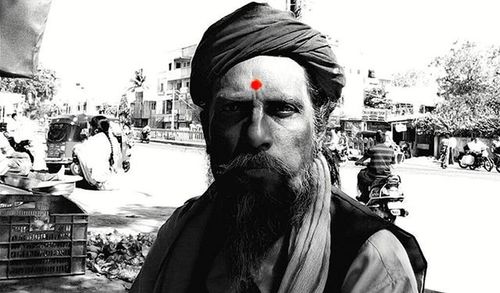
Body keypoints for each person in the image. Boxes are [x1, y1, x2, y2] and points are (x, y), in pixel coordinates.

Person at [131, 3, 426, 293]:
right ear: (206, 126)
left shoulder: (369, 259)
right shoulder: (182, 232)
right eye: (234, 108)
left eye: (282, 109)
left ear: (319, 127)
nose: (256, 135)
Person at [73, 115, 122, 190]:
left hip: (101, 182)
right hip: (114, 181)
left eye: (91, 127)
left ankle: (90, 182)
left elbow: (79, 150)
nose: (90, 129)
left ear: (95, 129)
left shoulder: (94, 140)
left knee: (78, 150)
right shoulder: (113, 139)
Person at [355, 131, 395, 202]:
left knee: (361, 174)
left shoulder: (372, 149)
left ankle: (364, 195)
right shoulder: (391, 150)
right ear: (385, 139)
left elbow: (362, 160)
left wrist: (358, 162)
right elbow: (392, 162)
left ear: (375, 139)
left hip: (374, 175)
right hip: (386, 175)